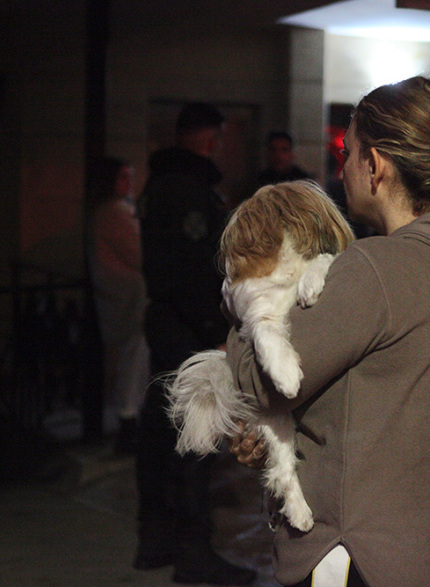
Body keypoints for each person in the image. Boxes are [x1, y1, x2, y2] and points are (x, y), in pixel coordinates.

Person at [224, 76, 430, 586]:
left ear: (376, 164)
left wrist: (242, 305)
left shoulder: (376, 271)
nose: (342, 164)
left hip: (360, 556)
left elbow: (261, 381)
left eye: (348, 149)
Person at [134, 102, 256, 585]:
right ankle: (194, 552)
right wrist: (214, 329)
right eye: (219, 139)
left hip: (165, 323)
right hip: (187, 330)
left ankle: (155, 542)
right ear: (208, 139)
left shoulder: (158, 186)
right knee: (193, 440)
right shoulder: (190, 191)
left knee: (160, 436)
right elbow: (193, 270)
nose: (221, 148)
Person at [86, 157, 150, 455]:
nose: (129, 183)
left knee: (131, 359)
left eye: (130, 176)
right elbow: (137, 253)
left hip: (124, 296)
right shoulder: (115, 212)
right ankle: (129, 421)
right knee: (133, 359)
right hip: (128, 297)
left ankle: (129, 419)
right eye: (123, 177)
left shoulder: (109, 211)